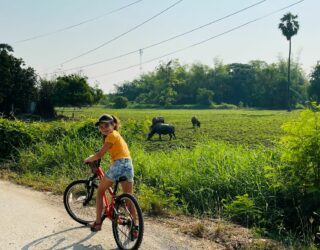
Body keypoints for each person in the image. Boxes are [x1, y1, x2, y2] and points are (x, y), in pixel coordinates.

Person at [84, 114, 135, 232]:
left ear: (114, 125)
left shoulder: (111, 136)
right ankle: (134, 228)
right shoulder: (117, 136)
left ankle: (97, 223)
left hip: (119, 164)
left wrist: (88, 159)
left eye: (106, 125)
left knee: (101, 191)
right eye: (101, 127)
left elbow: (99, 154)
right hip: (128, 165)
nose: (103, 128)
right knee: (129, 199)